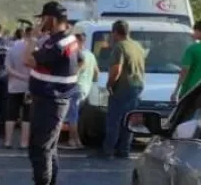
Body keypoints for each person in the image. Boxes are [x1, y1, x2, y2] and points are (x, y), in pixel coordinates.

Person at [16, 1, 79, 185]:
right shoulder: (67, 39)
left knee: (40, 149)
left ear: (51, 19)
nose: (41, 22)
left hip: (49, 101)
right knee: (50, 149)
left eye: (43, 18)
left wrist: (32, 37)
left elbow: (27, 59)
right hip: (54, 99)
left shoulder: (56, 44)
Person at [97, 20, 146, 159]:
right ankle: (124, 150)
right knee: (128, 121)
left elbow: (116, 69)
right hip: (137, 86)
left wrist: (109, 84)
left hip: (123, 87)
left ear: (115, 32)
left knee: (114, 120)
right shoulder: (137, 46)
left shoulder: (120, 47)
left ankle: (108, 150)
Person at [61, 25, 98, 150]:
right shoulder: (91, 55)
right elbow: (96, 73)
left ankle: (75, 141)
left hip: (76, 87)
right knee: (75, 114)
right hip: (86, 89)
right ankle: (73, 140)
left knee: (72, 116)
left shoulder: (78, 54)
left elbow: (75, 71)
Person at [3, 26, 33, 149]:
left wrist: (19, 76)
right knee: (27, 116)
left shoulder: (12, 48)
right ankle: (24, 143)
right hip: (29, 87)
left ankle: (8, 141)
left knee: (11, 115)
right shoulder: (35, 49)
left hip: (14, 86)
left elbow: (8, 68)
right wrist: (26, 77)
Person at [171, 20, 201, 102]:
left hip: (191, 91)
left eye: (195, 31)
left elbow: (185, 70)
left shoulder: (193, 49)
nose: (193, 33)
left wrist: (176, 90)